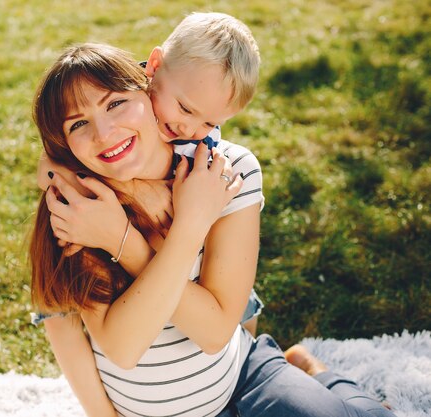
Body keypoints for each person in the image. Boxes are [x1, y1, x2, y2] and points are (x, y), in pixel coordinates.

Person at [29, 43, 396, 417]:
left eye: (115, 104)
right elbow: (123, 349)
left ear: (148, 88)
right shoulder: (79, 207)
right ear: (63, 144)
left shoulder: (222, 172)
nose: (104, 133)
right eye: (78, 124)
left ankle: (322, 377)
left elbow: (214, 333)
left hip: (242, 378)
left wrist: (127, 242)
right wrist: (184, 223)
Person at [36, 12, 264, 336]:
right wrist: (138, 190)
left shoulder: (203, 142)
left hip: (206, 264)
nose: (189, 128)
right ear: (153, 68)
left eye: (210, 123)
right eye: (184, 109)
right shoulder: (123, 95)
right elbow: (49, 165)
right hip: (148, 284)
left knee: (242, 323)